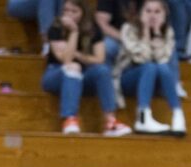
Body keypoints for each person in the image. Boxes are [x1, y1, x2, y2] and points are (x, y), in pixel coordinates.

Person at [41, 0, 132, 136]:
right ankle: (69, 118)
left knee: (102, 70)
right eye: (66, 10)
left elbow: (99, 58)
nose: (69, 15)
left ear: (83, 13)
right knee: (73, 67)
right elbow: (66, 60)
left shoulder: (93, 29)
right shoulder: (56, 27)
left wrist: (79, 55)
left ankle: (110, 121)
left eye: (74, 11)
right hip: (55, 73)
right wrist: (74, 32)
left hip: (82, 74)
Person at [116, 0, 186, 135]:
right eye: (148, 11)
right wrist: (146, 33)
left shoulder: (168, 32)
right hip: (128, 79)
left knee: (163, 68)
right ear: (140, 13)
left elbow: (163, 60)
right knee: (150, 67)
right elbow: (142, 58)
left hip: (154, 81)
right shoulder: (128, 28)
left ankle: (178, 114)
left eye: (157, 12)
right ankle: (143, 117)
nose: (152, 16)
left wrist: (158, 33)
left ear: (165, 14)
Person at [96, 0, 188, 98]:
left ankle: (174, 83)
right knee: (107, 45)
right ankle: (107, 86)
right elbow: (102, 24)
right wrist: (126, 38)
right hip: (119, 37)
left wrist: (152, 35)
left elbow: (161, 19)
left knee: (167, 45)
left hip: (146, 35)